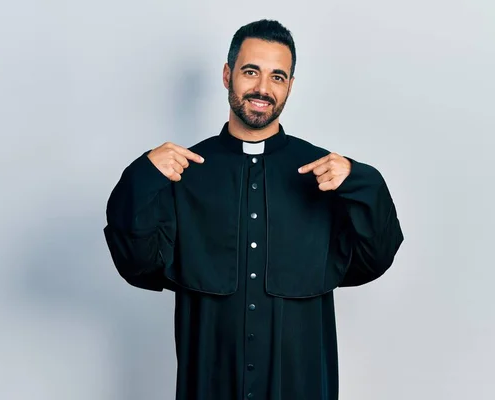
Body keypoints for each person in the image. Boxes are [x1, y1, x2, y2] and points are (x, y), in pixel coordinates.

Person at [104, 19, 404, 400]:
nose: (263, 88)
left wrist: (364, 181)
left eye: (277, 77)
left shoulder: (325, 173)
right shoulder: (185, 172)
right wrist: (141, 177)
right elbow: (136, 263)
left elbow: (374, 258)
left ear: (290, 86)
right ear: (228, 75)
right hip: (210, 386)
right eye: (251, 72)